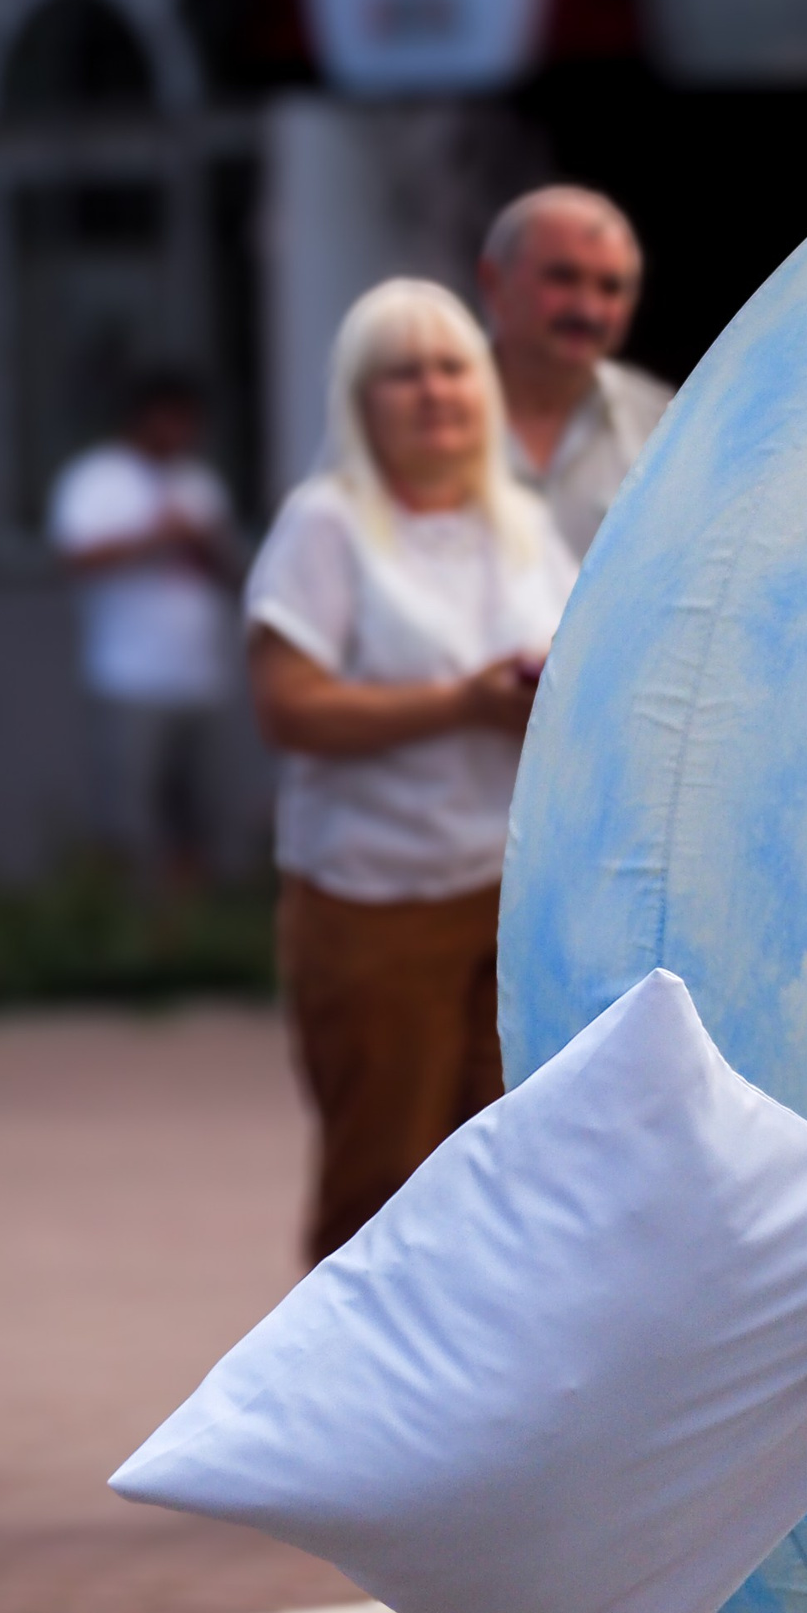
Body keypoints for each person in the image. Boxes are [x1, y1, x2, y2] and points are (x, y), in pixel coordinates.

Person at [245, 280, 575, 1266]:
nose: (432, 392)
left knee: (500, 1173)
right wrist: (460, 703)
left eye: (451, 369)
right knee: (379, 1185)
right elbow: (287, 706)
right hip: (373, 900)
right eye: (402, 373)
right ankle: (342, 1414)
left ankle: (481, 1411)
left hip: (507, 901)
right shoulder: (325, 524)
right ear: (358, 397)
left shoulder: (519, 522)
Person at [47, 366, 243, 891]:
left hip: (199, 674)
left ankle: (189, 930)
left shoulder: (199, 481)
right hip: (128, 675)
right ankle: (125, 931)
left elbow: (229, 572)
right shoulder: (97, 478)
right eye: (173, 419)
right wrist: (154, 536)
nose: (182, 432)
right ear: (144, 418)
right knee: (128, 816)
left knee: (198, 814)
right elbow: (76, 557)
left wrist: (204, 544)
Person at [477, 184, 671, 562]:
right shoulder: (409, 413)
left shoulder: (664, 426)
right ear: (492, 282)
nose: (588, 310)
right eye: (563, 277)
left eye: (610, 287)